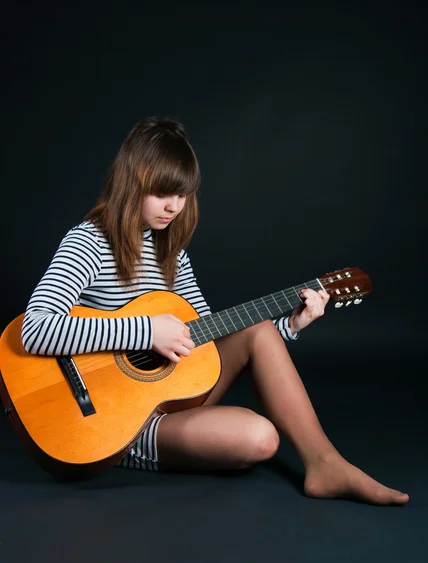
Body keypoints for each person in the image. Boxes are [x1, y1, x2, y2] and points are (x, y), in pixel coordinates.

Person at [22, 117, 408, 505]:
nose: (174, 206)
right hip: (112, 418)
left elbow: (208, 341)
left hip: (168, 400)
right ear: (131, 184)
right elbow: (36, 329)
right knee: (259, 440)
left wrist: (289, 326)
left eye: (183, 194)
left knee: (258, 337)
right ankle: (115, 449)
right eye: (161, 193)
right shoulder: (88, 242)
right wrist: (146, 332)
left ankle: (325, 464)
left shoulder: (174, 256)